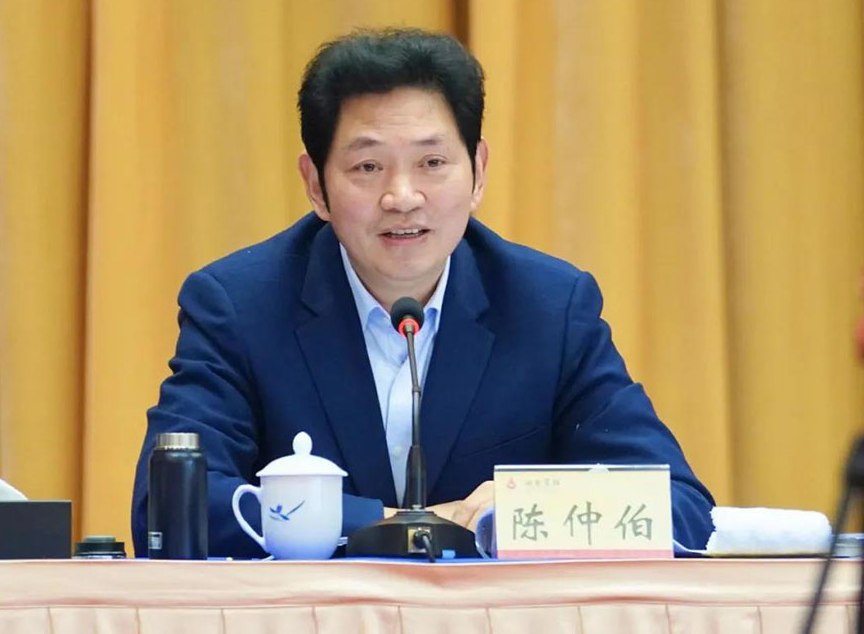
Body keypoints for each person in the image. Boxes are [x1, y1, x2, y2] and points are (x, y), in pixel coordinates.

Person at [131, 28, 715, 557]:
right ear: (315, 185)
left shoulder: (549, 308)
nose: (402, 197)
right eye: (367, 168)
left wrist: (522, 510)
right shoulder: (239, 306)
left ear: (478, 171)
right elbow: (169, 508)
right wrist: (398, 525)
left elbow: (681, 510)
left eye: (433, 162)